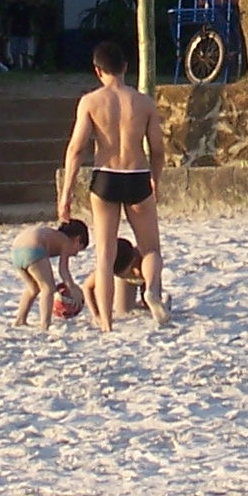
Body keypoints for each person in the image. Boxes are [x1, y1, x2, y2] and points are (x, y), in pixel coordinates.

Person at [60, 39, 168, 330]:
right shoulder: (143, 102)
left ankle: (106, 323)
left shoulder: (91, 102)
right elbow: (157, 148)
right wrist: (154, 179)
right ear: (125, 68)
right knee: (151, 250)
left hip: (106, 176)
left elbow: (76, 148)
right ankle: (152, 291)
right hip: (137, 175)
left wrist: (65, 193)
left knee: (105, 256)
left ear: (98, 71)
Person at [10, 216, 90, 328]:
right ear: (77, 239)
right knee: (48, 288)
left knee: (33, 288)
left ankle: (20, 319)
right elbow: (63, 270)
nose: (75, 254)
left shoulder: (53, 235)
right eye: (78, 249)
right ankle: (45, 324)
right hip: (34, 248)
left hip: (16, 251)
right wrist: (73, 289)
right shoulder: (66, 242)